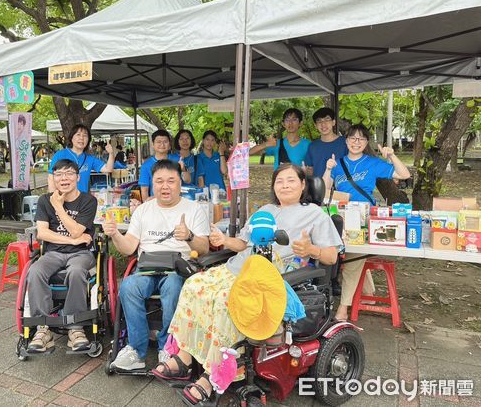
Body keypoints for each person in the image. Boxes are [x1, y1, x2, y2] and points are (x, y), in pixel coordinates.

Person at [153, 164, 341, 403]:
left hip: (272, 276)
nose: (284, 185)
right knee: (193, 286)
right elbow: (243, 244)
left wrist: (311, 249)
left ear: (303, 185)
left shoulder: (315, 214)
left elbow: (331, 257)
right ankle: (185, 357)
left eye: (291, 180)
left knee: (225, 301)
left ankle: (213, 375)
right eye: (279, 181)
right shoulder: (265, 210)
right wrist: (224, 240)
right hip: (239, 267)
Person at [103, 159, 210, 370]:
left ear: (180, 183)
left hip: (178, 268)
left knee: (173, 287)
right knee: (128, 286)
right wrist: (115, 234)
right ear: (152, 184)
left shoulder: (194, 209)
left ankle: (167, 348)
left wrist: (188, 236)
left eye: (171, 180)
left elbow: (204, 247)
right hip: (146, 267)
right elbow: (129, 247)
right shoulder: (143, 210)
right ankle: (136, 348)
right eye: (159, 181)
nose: (165, 186)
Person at [322, 124, 411, 321]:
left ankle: (343, 307)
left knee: (353, 259)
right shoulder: (338, 163)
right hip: (341, 217)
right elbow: (324, 190)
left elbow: (404, 175)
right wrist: (328, 170)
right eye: (352, 138)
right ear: (346, 141)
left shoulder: (372, 163)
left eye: (361, 139)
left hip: (363, 219)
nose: (356, 142)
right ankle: (367, 293)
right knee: (340, 258)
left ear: (366, 143)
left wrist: (392, 156)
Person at [27, 159, 98, 352]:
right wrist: (73, 240)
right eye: (58, 174)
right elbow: (42, 233)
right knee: (34, 271)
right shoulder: (44, 200)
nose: (63, 178)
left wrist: (58, 207)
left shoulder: (88, 201)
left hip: (82, 253)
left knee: (76, 272)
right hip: (53, 252)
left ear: (77, 177)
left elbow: (76, 230)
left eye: (68, 173)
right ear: (53, 178)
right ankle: (42, 327)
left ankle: (75, 327)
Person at [48, 124, 114, 193]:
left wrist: (111, 153)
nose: (81, 138)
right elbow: (51, 176)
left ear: (88, 140)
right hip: (63, 199)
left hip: (82, 200)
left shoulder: (90, 159)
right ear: (72, 138)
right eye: (78, 134)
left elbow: (108, 169)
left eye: (85, 135)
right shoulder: (60, 155)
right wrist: (54, 197)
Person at [304, 107, 348, 177]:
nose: (323, 124)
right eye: (319, 121)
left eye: (327, 120)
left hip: (341, 186)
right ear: (315, 125)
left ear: (333, 122)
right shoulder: (313, 146)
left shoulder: (345, 142)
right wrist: (305, 171)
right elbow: (310, 171)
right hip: (319, 186)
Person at [138, 130, 178, 201]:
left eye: (165, 142)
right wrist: (147, 206)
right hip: (157, 204)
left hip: (177, 202)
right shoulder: (146, 166)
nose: (162, 145)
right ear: (153, 145)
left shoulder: (177, 159)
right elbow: (144, 190)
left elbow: (186, 181)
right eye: (158, 142)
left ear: (169, 145)